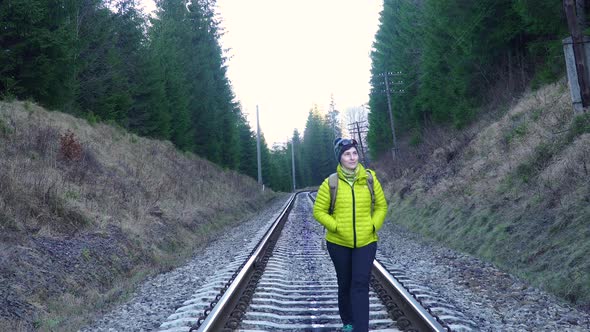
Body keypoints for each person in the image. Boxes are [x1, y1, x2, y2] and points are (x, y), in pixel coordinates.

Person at [313, 138, 388, 332]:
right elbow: (318, 211)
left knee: (360, 284)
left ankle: (360, 328)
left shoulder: (370, 178)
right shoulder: (330, 183)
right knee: (345, 283)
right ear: (340, 158)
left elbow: (381, 206)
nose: (352, 157)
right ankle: (348, 322)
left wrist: (373, 225)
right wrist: (335, 226)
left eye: (354, 153)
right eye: (347, 154)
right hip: (338, 243)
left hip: (366, 241)